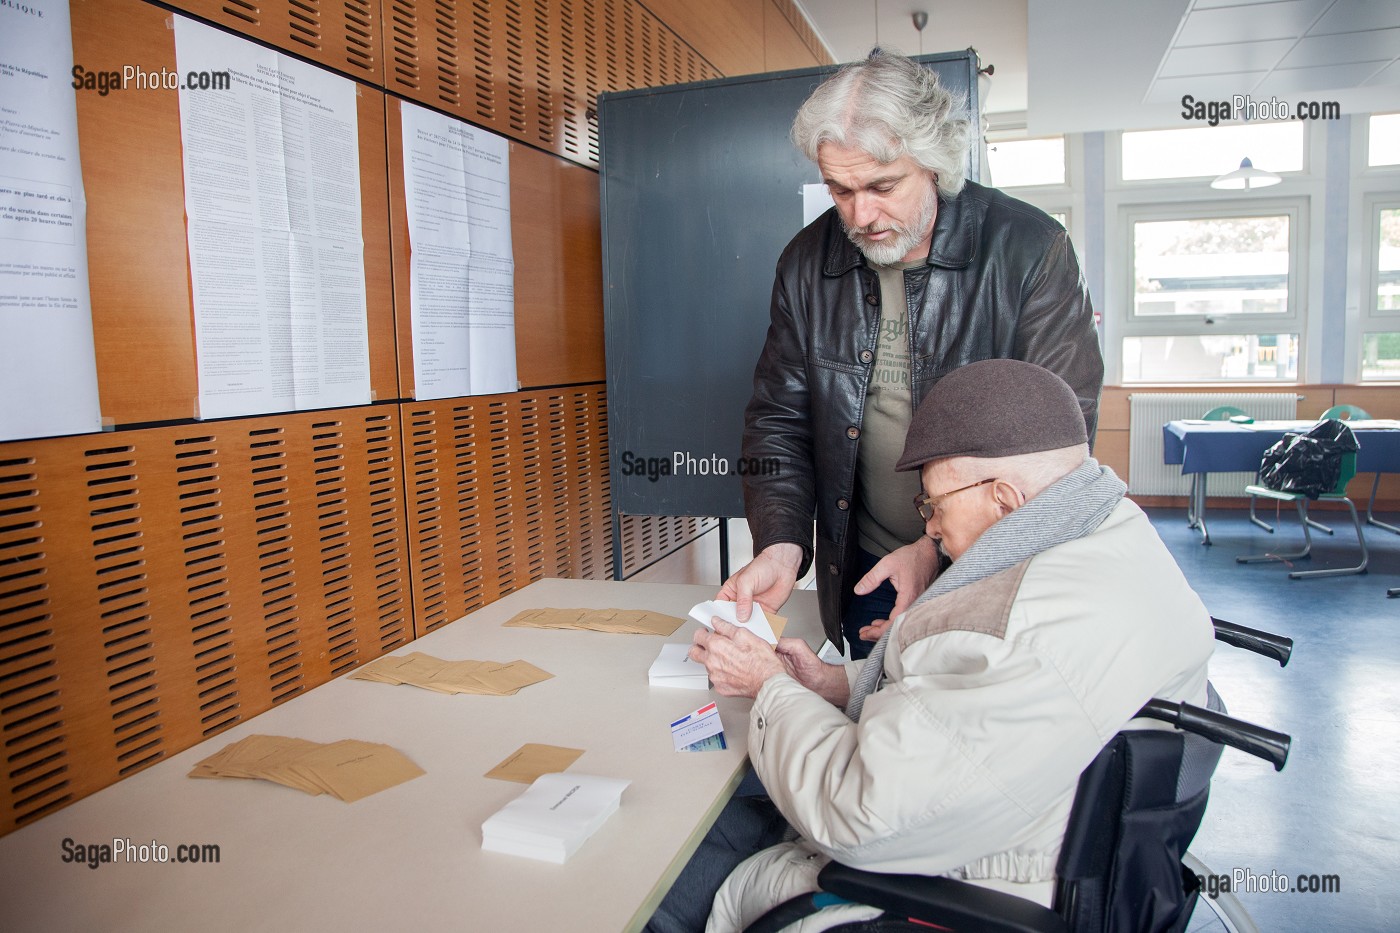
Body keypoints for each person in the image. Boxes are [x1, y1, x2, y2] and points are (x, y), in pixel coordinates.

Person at [648, 359, 1214, 933]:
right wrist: (833, 684)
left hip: (946, 886)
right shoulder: (1111, 531)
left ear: (1005, 499)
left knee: (659, 885)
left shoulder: (1021, 633)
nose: (932, 529)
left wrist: (766, 686)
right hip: (1036, 834)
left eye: (934, 506)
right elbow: (963, 705)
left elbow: (857, 816)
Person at [722, 49, 1103, 659]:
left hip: (995, 563)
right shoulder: (805, 261)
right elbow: (777, 421)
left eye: (882, 185)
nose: (860, 214)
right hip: (869, 564)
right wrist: (782, 544)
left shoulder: (1030, 250)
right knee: (869, 731)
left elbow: (1057, 445)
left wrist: (937, 547)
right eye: (840, 190)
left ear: (934, 162)